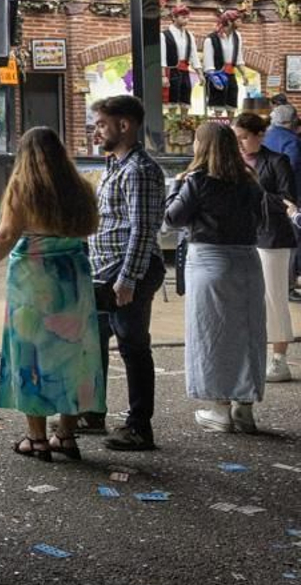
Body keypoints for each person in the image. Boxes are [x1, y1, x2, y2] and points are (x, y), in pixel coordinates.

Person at [0, 128, 104, 463]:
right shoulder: (81, 188)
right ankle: (66, 436)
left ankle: (36, 439)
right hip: (72, 276)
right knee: (73, 354)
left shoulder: (24, 188)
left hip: (33, 278)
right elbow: (89, 227)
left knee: (31, 354)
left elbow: (7, 234)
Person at [166, 123, 268, 433]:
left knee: (212, 334)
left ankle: (220, 410)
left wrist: (175, 185)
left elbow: (172, 218)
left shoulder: (197, 181)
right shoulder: (250, 181)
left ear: (204, 145)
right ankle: (245, 410)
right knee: (248, 332)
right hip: (249, 261)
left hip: (210, 262)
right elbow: (261, 221)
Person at [85, 94, 167, 451]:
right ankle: (92, 412)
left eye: (102, 124)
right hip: (105, 270)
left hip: (127, 270)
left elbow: (143, 228)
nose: (96, 131)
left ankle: (139, 426)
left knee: (133, 347)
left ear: (124, 125)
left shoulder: (141, 171)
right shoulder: (115, 166)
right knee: (94, 340)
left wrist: (127, 279)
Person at [233, 113, 295, 383]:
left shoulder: (277, 161)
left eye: (244, 138)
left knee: (274, 295)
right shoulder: (233, 163)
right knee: (246, 297)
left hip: (272, 237)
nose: (240, 144)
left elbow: (288, 198)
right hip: (241, 236)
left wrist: (253, 193)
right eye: (236, 139)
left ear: (260, 135)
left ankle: (279, 358)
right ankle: (252, 353)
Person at [263, 102, 301, 182]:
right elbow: (291, 167)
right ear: (292, 121)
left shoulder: (264, 135)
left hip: (267, 182)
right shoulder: (292, 141)